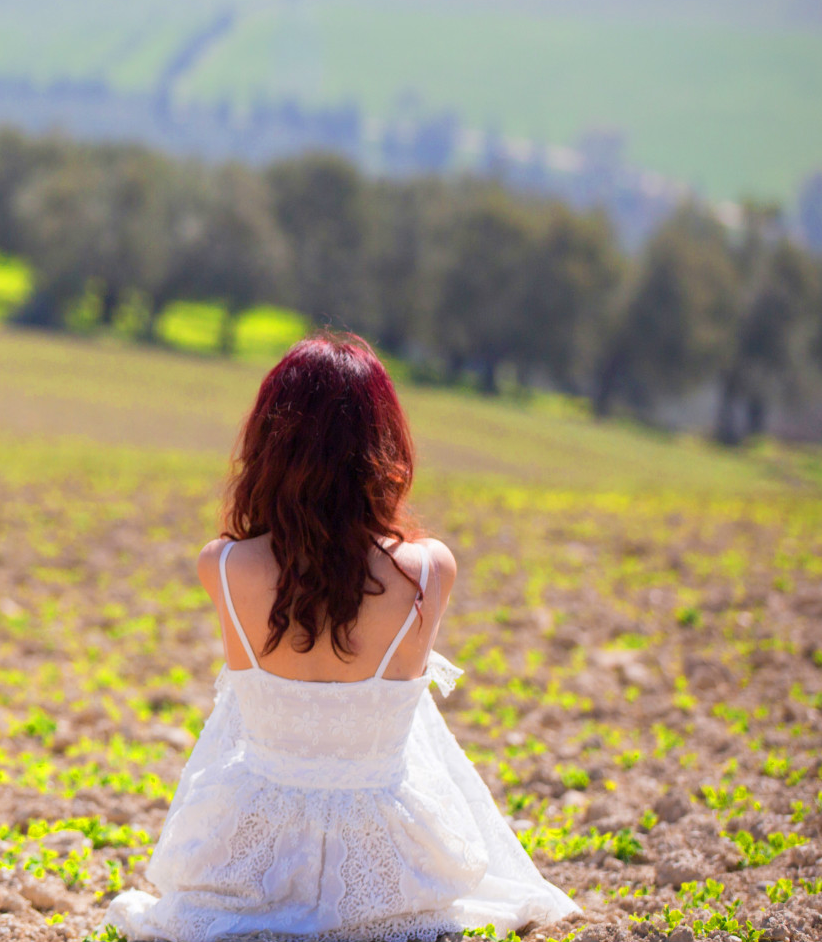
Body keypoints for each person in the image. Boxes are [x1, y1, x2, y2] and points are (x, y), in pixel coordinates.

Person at [107, 334, 578, 942]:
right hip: (390, 862)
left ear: (269, 443)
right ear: (384, 446)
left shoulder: (223, 565)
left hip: (251, 858)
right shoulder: (429, 568)